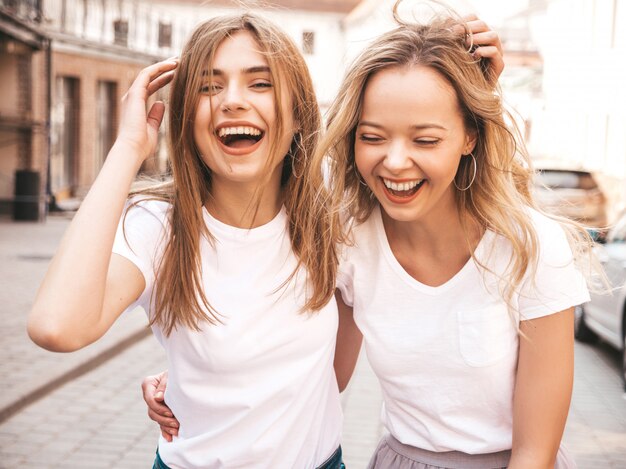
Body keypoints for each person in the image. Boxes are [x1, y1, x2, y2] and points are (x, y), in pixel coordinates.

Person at [27, 13, 344, 469]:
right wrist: (128, 148)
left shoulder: (330, 222)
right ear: (187, 121)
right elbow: (56, 326)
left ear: (298, 114)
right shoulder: (159, 228)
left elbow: (331, 369)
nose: (232, 101)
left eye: (260, 84)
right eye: (209, 86)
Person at [324, 3, 594, 468]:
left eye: (425, 140)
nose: (394, 162)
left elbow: (535, 452)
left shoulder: (531, 248)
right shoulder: (350, 240)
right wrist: (192, 382)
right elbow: (319, 381)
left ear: (469, 136)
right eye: (372, 137)